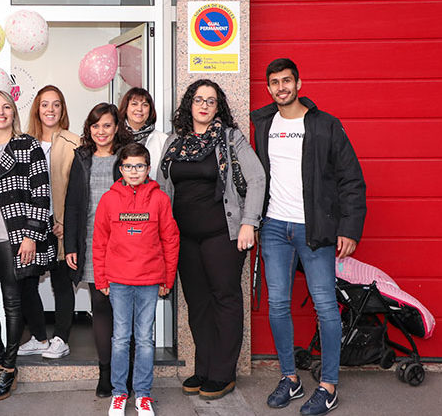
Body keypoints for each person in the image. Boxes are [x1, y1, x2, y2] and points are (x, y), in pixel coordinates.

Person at [251, 58, 366, 416]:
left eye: (287, 81)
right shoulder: (263, 124)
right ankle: (290, 378)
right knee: (278, 304)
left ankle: (328, 386)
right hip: (274, 227)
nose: (281, 87)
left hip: (314, 229)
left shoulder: (324, 125)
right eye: (274, 82)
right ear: (268, 88)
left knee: (325, 306)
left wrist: (349, 228)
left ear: (299, 83)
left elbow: (351, 179)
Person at [157, 79, 266, 400]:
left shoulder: (230, 138)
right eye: (198, 99)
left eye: (211, 101)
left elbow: (257, 178)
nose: (204, 105)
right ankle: (204, 368)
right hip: (184, 236)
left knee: (225, 299)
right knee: (198, 304)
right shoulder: (175, 142)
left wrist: (249, 222)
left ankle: (223, 372)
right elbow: (162, 186)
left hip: (223, 234)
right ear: (189, 104)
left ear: (218, 107)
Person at [0, 90, 54, 401]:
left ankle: (8, 367)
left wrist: (32, 235)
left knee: (12, 303)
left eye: (6, 107)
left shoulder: (27, 146)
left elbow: (41, 193)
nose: (0, 112)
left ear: (13, 113)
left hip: (15, 238)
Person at [94, 143, 179, 416]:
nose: (134, 171)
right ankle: (119, 393)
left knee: (144, 338)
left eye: (139, 166)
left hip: (149, 280)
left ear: (148, 168)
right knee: (120, 338)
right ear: (120, 169)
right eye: (128, 166)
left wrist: (167, 278)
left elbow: (170, 240)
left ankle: (143, 394)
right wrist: (101, 279)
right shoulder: (108, 200)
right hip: (118, 280)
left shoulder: (160, 199)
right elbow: (99, 241)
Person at [64, 102, 132, 397]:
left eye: (107, 125)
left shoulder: (128, 156)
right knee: (101, 307)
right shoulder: (81, 158)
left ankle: (127, 371)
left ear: (117, 127)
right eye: (95, 126)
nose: (101, 131)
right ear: (89, 129)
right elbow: (72, 204)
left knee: (125, 309)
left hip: (126, 242)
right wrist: (70, 245)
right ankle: (106, 373)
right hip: (92, 241)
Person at [17, 85, 79, 359]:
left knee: (61, 282)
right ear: (37, 109)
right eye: (45, 104)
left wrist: (66, 222)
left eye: (56, 104)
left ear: (62, 109)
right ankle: (40, 338)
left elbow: (78, 189)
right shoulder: (23, 142)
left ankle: (61, 339)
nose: (50, 109)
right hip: (32, 225)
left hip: (60, 226)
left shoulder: (74, 142)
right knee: (27, 282)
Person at [119, 86, 168, 160]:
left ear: (150, 110)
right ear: (125, 108)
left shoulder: (163, 140)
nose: (139, 109)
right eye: (134, 104)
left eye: (145, 105)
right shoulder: (115, 137)